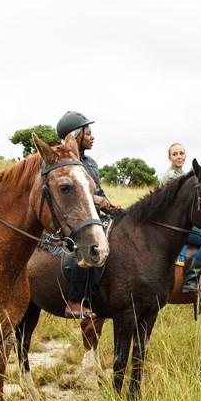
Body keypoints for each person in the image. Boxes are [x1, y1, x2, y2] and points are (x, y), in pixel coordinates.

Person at [55, 111, 118, 319]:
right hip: (74, 217)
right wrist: (94, 199)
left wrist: (110, 206)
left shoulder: (91, 163)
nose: (92, 137)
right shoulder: (65, 162)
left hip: (93, 215)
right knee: (83, 251)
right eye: (88, 133)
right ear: (74, 136)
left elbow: (98, 191)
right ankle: (74, 301)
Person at [160, 142, 201, 293]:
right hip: (177, 226)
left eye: (181, 153)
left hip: (181, 222)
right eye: (175, 154)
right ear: (169, 157)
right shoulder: (171, 177)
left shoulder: (182, 175)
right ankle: (190, 280)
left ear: (185, 155)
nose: (178, 157)